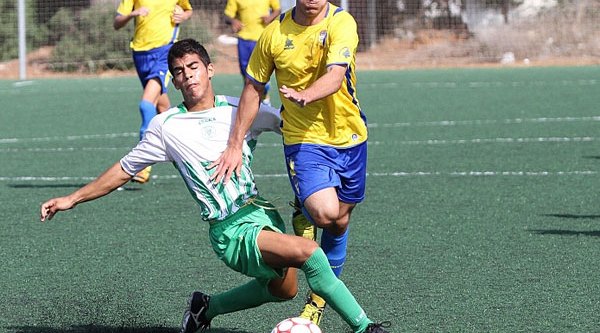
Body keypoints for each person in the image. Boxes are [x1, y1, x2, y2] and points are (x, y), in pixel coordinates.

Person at [39, 39, 390, 333]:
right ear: (174, 82)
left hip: (261, 214)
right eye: (178, 72)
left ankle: (204, 308)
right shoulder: (166, 127)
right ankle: (365, 327)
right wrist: (73, 198)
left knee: (284, 290)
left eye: (193, 66)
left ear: (209, 70)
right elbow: (124, 169)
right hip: (230, 230)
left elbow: (293, 127)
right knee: (310, 254)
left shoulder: (241, 109)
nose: (187, 75)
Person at [210, 0, 368, 326]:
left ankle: (316, 294)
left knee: (340, 223)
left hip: (350, 136)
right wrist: (235, 144)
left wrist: (307, 93)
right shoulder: (275, 34)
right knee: (324, 213)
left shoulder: (342, 23)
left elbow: (335, 74)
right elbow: (252, 89)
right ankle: (316, 294)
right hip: (304, 138)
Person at [114, 0, 193, 184]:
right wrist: (133, 14)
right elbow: (117, 21)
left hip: (165, 52)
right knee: (163, 107)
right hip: (140, 53)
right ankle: (188, 143)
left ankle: (142, 164)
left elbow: (188, 10)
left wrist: (184, 14)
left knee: (146, 104)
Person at [224, 0, 281, 105]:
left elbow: (277, 9)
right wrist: (234, 21)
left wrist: (270, 17)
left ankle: (265, 99)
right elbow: (228, 15)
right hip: (244, 39)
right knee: (246, 75)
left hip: (262, 39)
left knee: (261, 72)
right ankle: (251, 102)